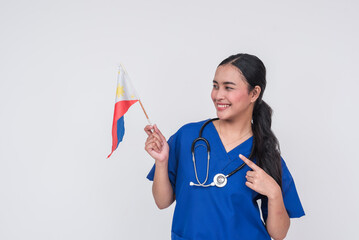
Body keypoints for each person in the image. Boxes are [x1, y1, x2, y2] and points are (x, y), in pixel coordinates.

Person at [144, 53, 305, 240]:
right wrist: (162, 162)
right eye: (215, 86)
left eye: (228, 87)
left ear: (254, 93)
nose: (218, 95)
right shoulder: (187, 136)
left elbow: (279, 234)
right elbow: (162, 202)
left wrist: (275, 193)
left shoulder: (264, 151)